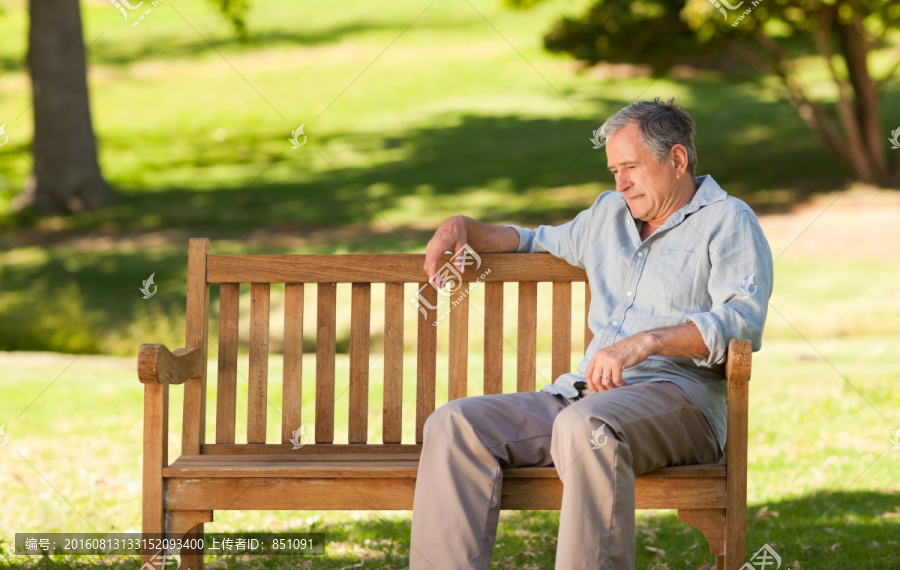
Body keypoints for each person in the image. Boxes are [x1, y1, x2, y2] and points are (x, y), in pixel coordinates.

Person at [408, 98, 773, 569]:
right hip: (581, 396)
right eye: (613, 170)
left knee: (588, 429)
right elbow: (532, 239)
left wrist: (648, 342)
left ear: (677, 159)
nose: (620, 182)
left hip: (680, 401)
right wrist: (464, 227)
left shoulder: (729, 221)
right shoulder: (607, 216)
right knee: (455, 424)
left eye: (631, 167)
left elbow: (741, 321)